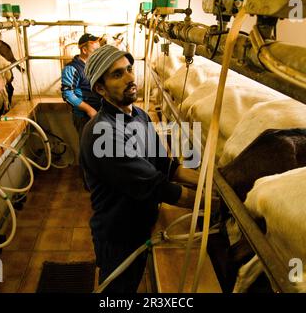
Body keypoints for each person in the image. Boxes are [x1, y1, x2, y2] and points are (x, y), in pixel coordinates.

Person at [81, 45, 204, 293]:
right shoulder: (102, 134)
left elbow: (164, 166)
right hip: (119, 236)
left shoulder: (139, 115)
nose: (130, 78)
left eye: (129, 69)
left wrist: (208, 182)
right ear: (100, 89)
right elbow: (157, 187)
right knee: (117, 292)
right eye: (118, 74)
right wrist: (210, 205)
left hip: (140, 226)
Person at [61, 33, 101, 138]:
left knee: (100, 149)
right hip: (85, 116)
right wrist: (90, 110)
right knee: (87, 148)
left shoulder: (94, 66)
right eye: (95, 50)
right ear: (84, 50)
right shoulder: (72, 68)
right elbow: (67, 95)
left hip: (99, 113)